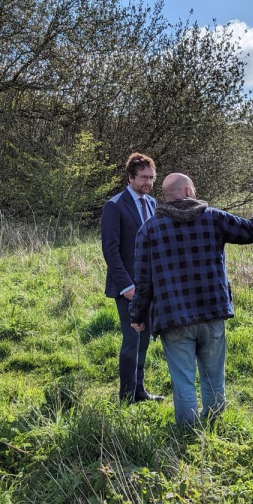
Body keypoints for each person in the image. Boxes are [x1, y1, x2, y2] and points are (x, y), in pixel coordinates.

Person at [129, 174, 253, 426]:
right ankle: (214, 425)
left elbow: (143, 281)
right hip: (212, 311)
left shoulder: (148, 229)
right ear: (189, 190)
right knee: (214, 377)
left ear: (167, 196)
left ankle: (187, 433)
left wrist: (137, 316)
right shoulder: (213, 217)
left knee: (183, 381)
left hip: (173, 317)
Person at [100, 153, 164, 403]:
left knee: (144, 339)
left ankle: (140, 391)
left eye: (151, 177)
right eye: (143, 177)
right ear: (130, 177)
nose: (148, 182)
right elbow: (111, 251)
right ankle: (126, 396)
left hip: (150, 286)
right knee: (132, 339)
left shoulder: (153, 203)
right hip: (127, 287)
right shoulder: (114, 206)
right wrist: (127, 286)